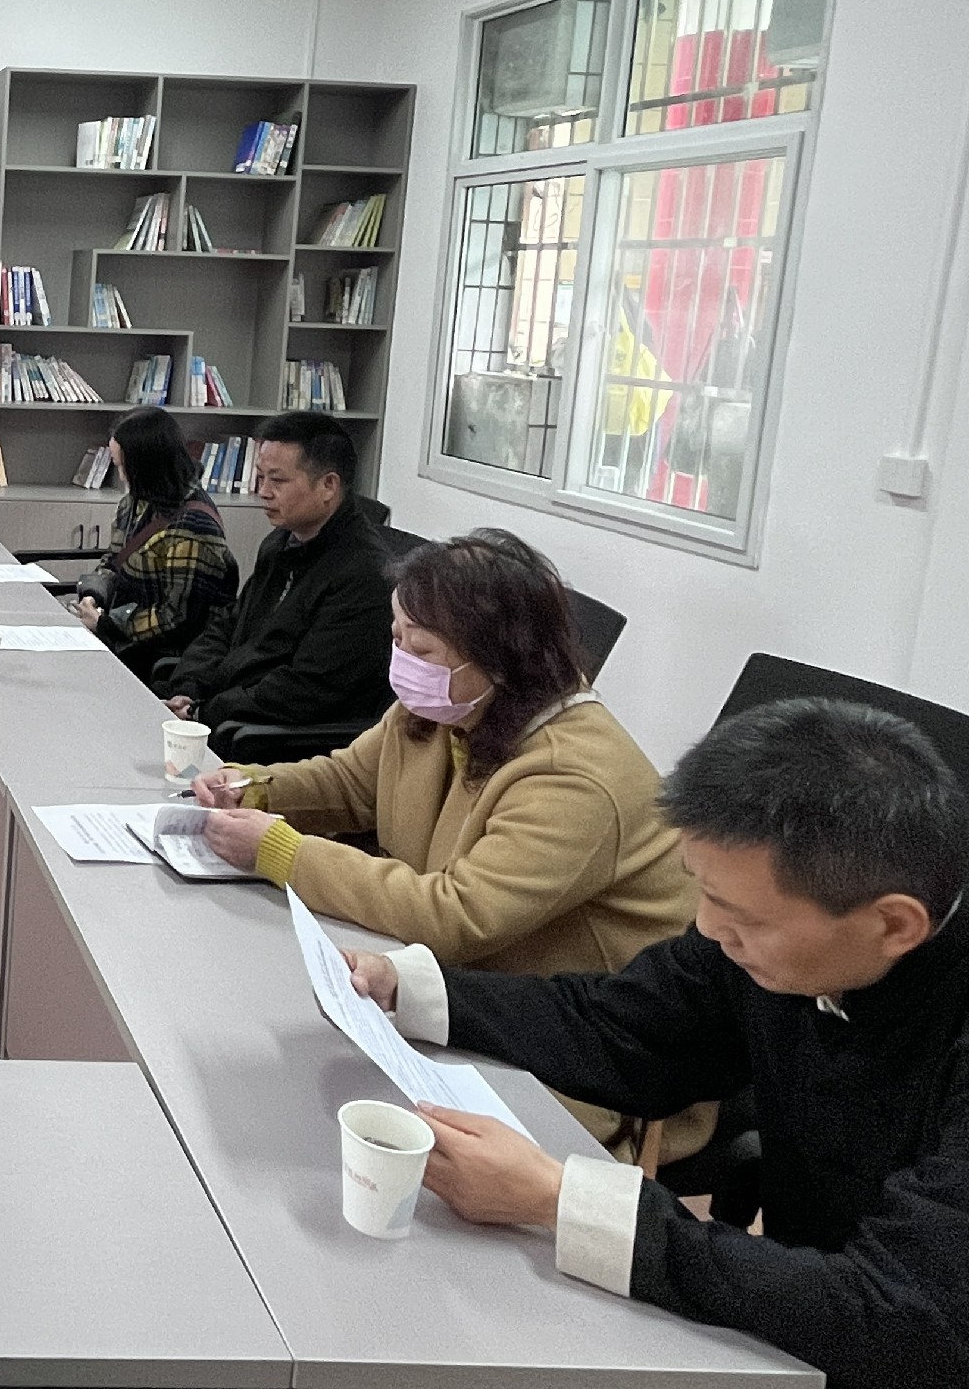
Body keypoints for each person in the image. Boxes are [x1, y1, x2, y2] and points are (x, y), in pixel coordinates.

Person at [343, 698, 969, 1389]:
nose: (710, 929)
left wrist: (557, 1200)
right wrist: (406, 989)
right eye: (703, 892)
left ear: (895, 925)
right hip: (795, 1328)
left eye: (742, 916)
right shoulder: (769, 941)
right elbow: (628, 1028)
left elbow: (906, 1317)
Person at [192, 528, 699, 1154]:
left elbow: (457, 916)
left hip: (571, 1052)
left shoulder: (576, 777)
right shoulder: (445, 708)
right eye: (397, 637)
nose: (402, 659)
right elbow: (351, 782)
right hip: (461, 989)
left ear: (498, 658)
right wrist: (256, 788)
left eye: (421, 646)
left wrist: (282, 852)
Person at [156, 410, 392, 732]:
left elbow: (306, 689)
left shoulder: (364, 575)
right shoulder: (280, 543)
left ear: (328, 485)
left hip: (267, 736)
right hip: (221, 710)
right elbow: (228, 626)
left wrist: (203, 713)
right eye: (260, 476)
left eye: (277, 480)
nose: (263, 491)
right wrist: (188, 687)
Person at [70, 406, 238, 682]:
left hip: (155, 655)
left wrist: (106, 624)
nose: (121, 476)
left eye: (122, 466)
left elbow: (177, 618)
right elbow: (114, 560)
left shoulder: (194, 528)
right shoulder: (135, 502)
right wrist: (92, 596)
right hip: (120, 632)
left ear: (146, 466)